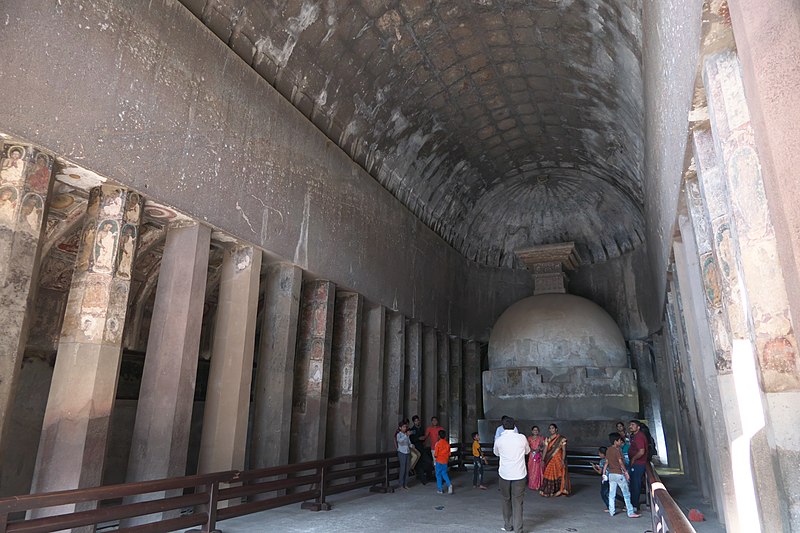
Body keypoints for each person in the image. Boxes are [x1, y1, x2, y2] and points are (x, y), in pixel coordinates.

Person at [494, 416, 530, 533]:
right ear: (514, 426)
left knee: (506, 500)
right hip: (519, 474)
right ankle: (518, 530)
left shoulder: (499, 440)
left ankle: (508, 526)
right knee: (518, 502)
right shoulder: (522, 438)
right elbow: (527, 451)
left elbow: (496, 453)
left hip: (504, 474)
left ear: (503, 427)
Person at [605, 432, 640, 518]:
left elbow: (606, 462)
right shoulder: (617, 451)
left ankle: (611, 511)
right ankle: (630, 512)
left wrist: (604, 473)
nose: (621, 442)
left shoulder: (608, 450)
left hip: (611, 474)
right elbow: (621, 462)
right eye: (620, 440)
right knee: (626, 494)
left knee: (611, 493)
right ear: (616, 441)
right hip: (619, 474)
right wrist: (626, 472)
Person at [539, 423, 570, 497]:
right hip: (550, 459)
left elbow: (564, 450)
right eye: (550, 428)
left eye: (553, 428)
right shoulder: (548, 439)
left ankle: (560, 490)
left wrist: (563, 459)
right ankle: (550, 490)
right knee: (549, 473)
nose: (551, 429)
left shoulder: (561, 439)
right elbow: (545, 450)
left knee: (558, 473)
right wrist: (543, 460)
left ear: (556, 429)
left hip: (558, 459)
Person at [627, 420, 648, 511]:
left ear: (638, 427)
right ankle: (633, 503)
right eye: (630, 425)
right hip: (637, 463)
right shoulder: (635, 436)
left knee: (635, 484)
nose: (630, 426)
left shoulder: (639, 437)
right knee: (633, 483)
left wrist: (633, 459)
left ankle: (634, 505)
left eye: (633, 425)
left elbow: (641, 451)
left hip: (638, 464)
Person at [408, 415, 428, 484]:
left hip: (422, 447)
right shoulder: (412, 430)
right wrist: (418, 439)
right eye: (416, 421)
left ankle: (424, 476)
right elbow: (411, 440)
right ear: (414, 422)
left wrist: (423, 439)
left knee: (426, 461)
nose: (417, 422)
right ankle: (422, 479)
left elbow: (423, 436)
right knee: (419, 464)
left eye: (418, 420)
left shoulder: (421, 428)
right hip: (416, 448)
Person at [433, 429, 453, 494]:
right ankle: (449, 484)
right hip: (445, 461)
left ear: (438, 436)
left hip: (439, 461)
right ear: (445, 436)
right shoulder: (447, 444)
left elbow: (435, 454)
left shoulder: (438, 444)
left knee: (438, 475)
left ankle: (440, 489)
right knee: (444, 473)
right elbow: (449, 454)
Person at [526, 425, 545, 491]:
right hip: (531, 456)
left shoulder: (541, 438)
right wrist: (532, 450)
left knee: (538, 470)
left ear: (538, 431)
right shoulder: (529, 438)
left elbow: (544, 447)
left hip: (538, 455)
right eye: (534, 430)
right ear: (532, 431)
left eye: (537, 430)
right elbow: (527, 447)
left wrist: (539, 449)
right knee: (531, 469)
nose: (535, 431)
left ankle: (539, 485)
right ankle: (532, 485)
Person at [592, 446, 610, 511]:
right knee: (611, 492)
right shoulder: (610, 459)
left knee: (603, 493)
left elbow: (600, 472)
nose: (599, 454)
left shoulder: (602, 461)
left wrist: (594, 468)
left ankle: (609, 506)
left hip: (605, 479)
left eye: (599, 453)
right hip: (612, 477)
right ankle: (623, 502)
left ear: (603, 454)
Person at [396, 421, 411, 490]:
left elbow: (408, 443)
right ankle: (400, 484)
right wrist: (406, 435)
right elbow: (400, 441)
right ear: (400, 428)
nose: (405, 428)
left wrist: (411, 445)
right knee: (402, 468)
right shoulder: (399, 435)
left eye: (406, 427)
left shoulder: (406, 435)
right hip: (402, 452)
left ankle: (406, 484)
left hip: (407, 452)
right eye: (404, 427)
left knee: (407, 469)